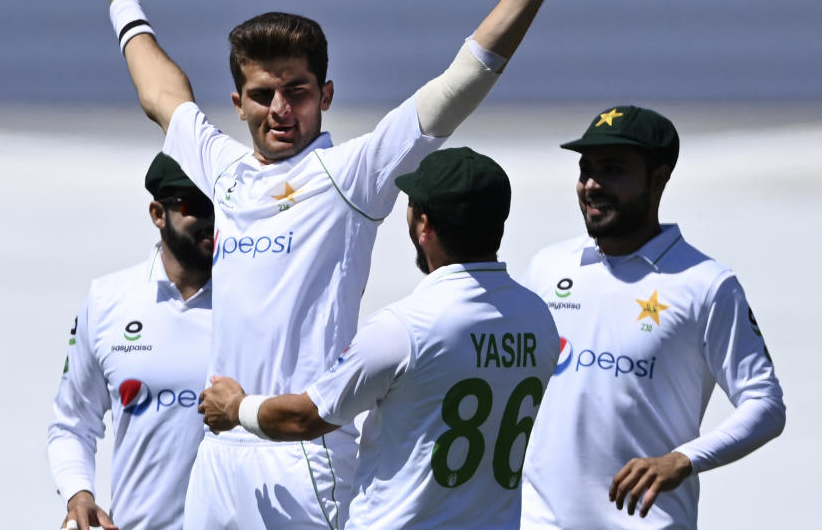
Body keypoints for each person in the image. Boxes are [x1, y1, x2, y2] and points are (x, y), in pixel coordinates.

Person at [105, 0, 590, 529]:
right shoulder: (221, 168)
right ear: (238, 103)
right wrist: (126, 6)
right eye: (263, 93)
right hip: (220, 451)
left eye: (298, 90)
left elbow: (461, 81)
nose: (281, 109)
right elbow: (161, 95)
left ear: (325, 95)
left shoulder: (349, 173)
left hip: (302, 449)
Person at [200, 147, 560, 530]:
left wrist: (237, 408)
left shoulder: (404, 327)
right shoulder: (539, 319)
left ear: (424, 224)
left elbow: (305, 419)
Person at [519, 105, 786, 530]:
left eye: (612, 170)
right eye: (586, 169)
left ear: (658, 178)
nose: (592, 185)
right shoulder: (547, 267)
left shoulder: (707, 284)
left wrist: (683, 459)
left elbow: (766, 404)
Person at [46, 153, 214, 530]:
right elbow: (72, 424)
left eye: (222, 204)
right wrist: (79, 495)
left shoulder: (257, 303)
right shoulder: (108, 300)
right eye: (198, 205)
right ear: (158, 213)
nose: (213, 220)